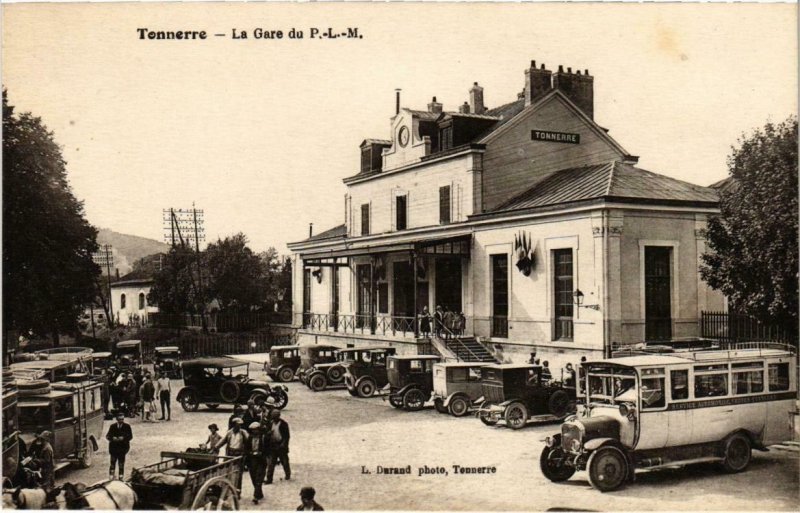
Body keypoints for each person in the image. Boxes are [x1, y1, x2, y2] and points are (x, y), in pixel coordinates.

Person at [265, 409, 291, 484]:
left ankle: (287, 474)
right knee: (271, 464)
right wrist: (268, 434)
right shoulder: (270, 423)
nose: (274, 418)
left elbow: (287, 436)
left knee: (284, 461)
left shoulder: (283, 424)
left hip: (281, 445)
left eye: (275, 416)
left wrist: (283, 444)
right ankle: (269, 479)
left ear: (278, 416)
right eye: (273, 416)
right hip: (273, 445)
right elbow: (266, 434)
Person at [106, 412, 133, 480]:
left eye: (122, 419)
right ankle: (111, 476)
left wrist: (123, 438)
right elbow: (108, 436)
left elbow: (130, 436)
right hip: (113, 448)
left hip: (122, 448)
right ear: (117, 419)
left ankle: (121, 477)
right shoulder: (112, 426)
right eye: (120, 419)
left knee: (121, 463)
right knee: (112, 463)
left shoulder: (127, 426)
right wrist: (112, 438)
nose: (121, 421)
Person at [246, 422, 268, 504]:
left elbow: (267, 449)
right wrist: (250, 453)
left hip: (261, 460)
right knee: (254, 478)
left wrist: (261, 453)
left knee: (259, 477)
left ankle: (255, 496)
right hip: (252, 460)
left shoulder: (263, 438)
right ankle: (259, 493)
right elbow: (246, 449)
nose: (254, 432)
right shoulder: (250, 438)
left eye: (256, 430)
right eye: (253, 430)